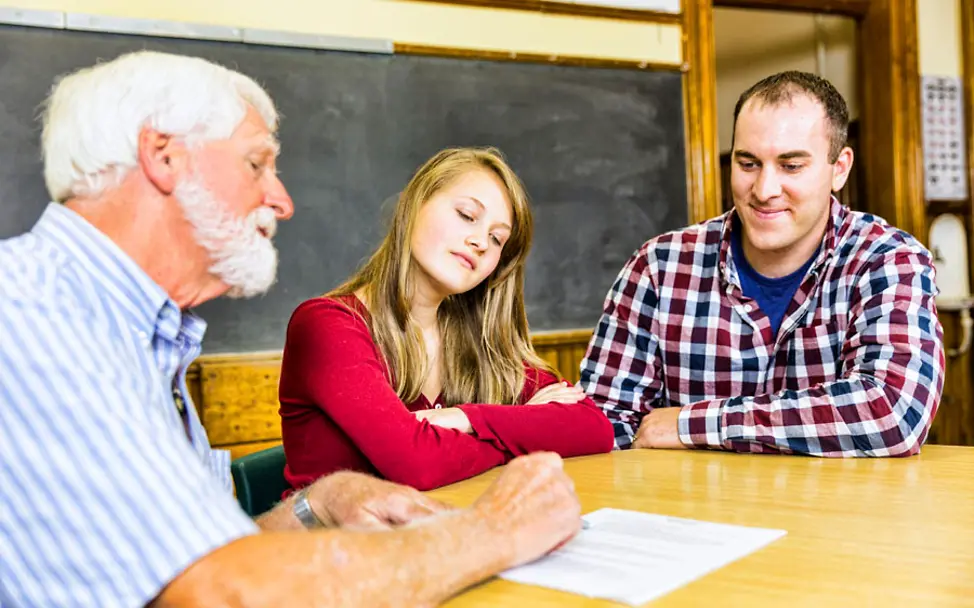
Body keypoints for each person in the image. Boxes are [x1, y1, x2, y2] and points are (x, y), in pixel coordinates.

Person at [0, 51, 583, 608]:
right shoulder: (35, 314)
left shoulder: (142, 335)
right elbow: (217, 592)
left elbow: (216, 547)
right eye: (256, 164)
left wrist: (318, 502)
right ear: (164, 157)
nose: (282, 201)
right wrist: (492, 532)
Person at [580, 71, 945, 457]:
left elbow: (891, 413)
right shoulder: (659, 267)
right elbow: (602, 422)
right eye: (748, 163)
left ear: (839, 168)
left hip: (837, 515)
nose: (764, 190)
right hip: (689, 513)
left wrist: (693, 424)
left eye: (791, 166)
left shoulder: (887, 261)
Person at [279, 147, 614, 492]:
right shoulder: (328, 325)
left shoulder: (475, 337)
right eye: (467, 215)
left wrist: (466, 418)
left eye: (497, 238)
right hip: (334, 542)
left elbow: (594, 427)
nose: (480, 241)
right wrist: (519, 436)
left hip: (441, 534)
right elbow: (417, 465)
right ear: (414, 205)